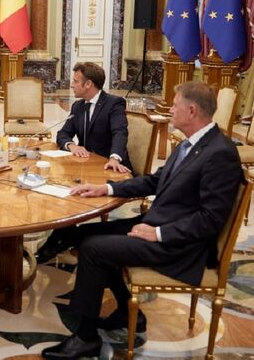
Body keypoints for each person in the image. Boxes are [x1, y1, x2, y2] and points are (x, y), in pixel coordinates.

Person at [40, 82, 243, 359]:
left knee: (94, 249)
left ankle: (86, 337)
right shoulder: (190, 143)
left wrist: (158, 234)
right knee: (84, 234)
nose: (170, 110)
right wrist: (106, 188)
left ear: (192, 111)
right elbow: (155, 181)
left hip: (179, 245)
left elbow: (211, 219)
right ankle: (126, 310)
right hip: (159, 223)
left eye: (175, 106)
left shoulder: (220, 153)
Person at [36, 62, 131, 263]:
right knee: (56, 186)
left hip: (108, 168)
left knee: (69, 192)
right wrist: (71, 145)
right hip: (83, 167)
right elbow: (63, 134)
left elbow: (119, 132)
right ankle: (63, 235)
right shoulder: (78, 106)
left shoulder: (114, 104)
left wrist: (115, 157)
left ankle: (59, 239)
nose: (71, 85)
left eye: (75, 81)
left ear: (88, 84)